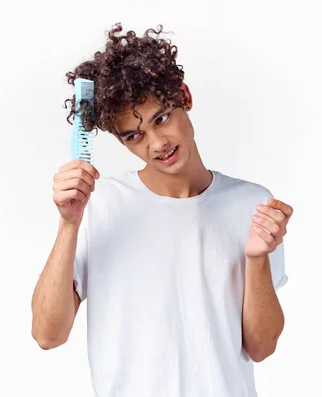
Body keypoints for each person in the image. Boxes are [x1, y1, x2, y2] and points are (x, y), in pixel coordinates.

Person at [31, 22, 294, 397]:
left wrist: (256, 260)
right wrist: (68, 223)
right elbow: (47, 334)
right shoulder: (100, 204)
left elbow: (262, 347)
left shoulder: (251, 206)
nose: (157, 143)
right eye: (134, 136)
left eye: (162, 118)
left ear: (184, 96)